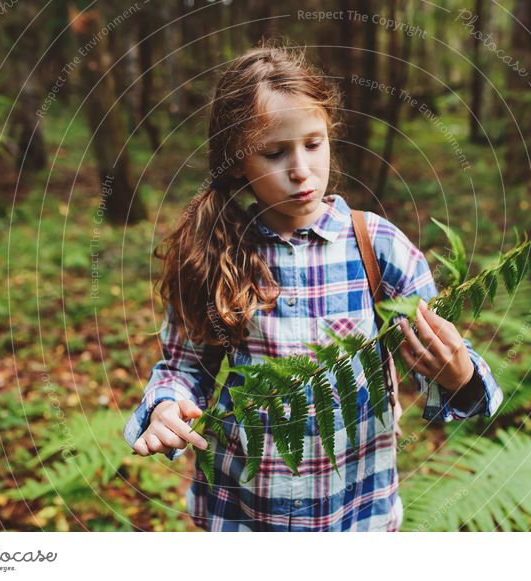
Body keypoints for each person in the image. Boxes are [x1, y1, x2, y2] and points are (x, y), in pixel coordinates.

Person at [122, 44, 503, 532]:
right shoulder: (216, 253)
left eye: (313, 143)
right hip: (244, 514)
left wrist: (458, 375)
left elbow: (444, 362)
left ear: (330, 137)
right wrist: (167, 407)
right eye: (275, 152)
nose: (301, 169)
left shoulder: (377, 247)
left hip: (355, 514)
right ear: (238, 162)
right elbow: (185, 366)